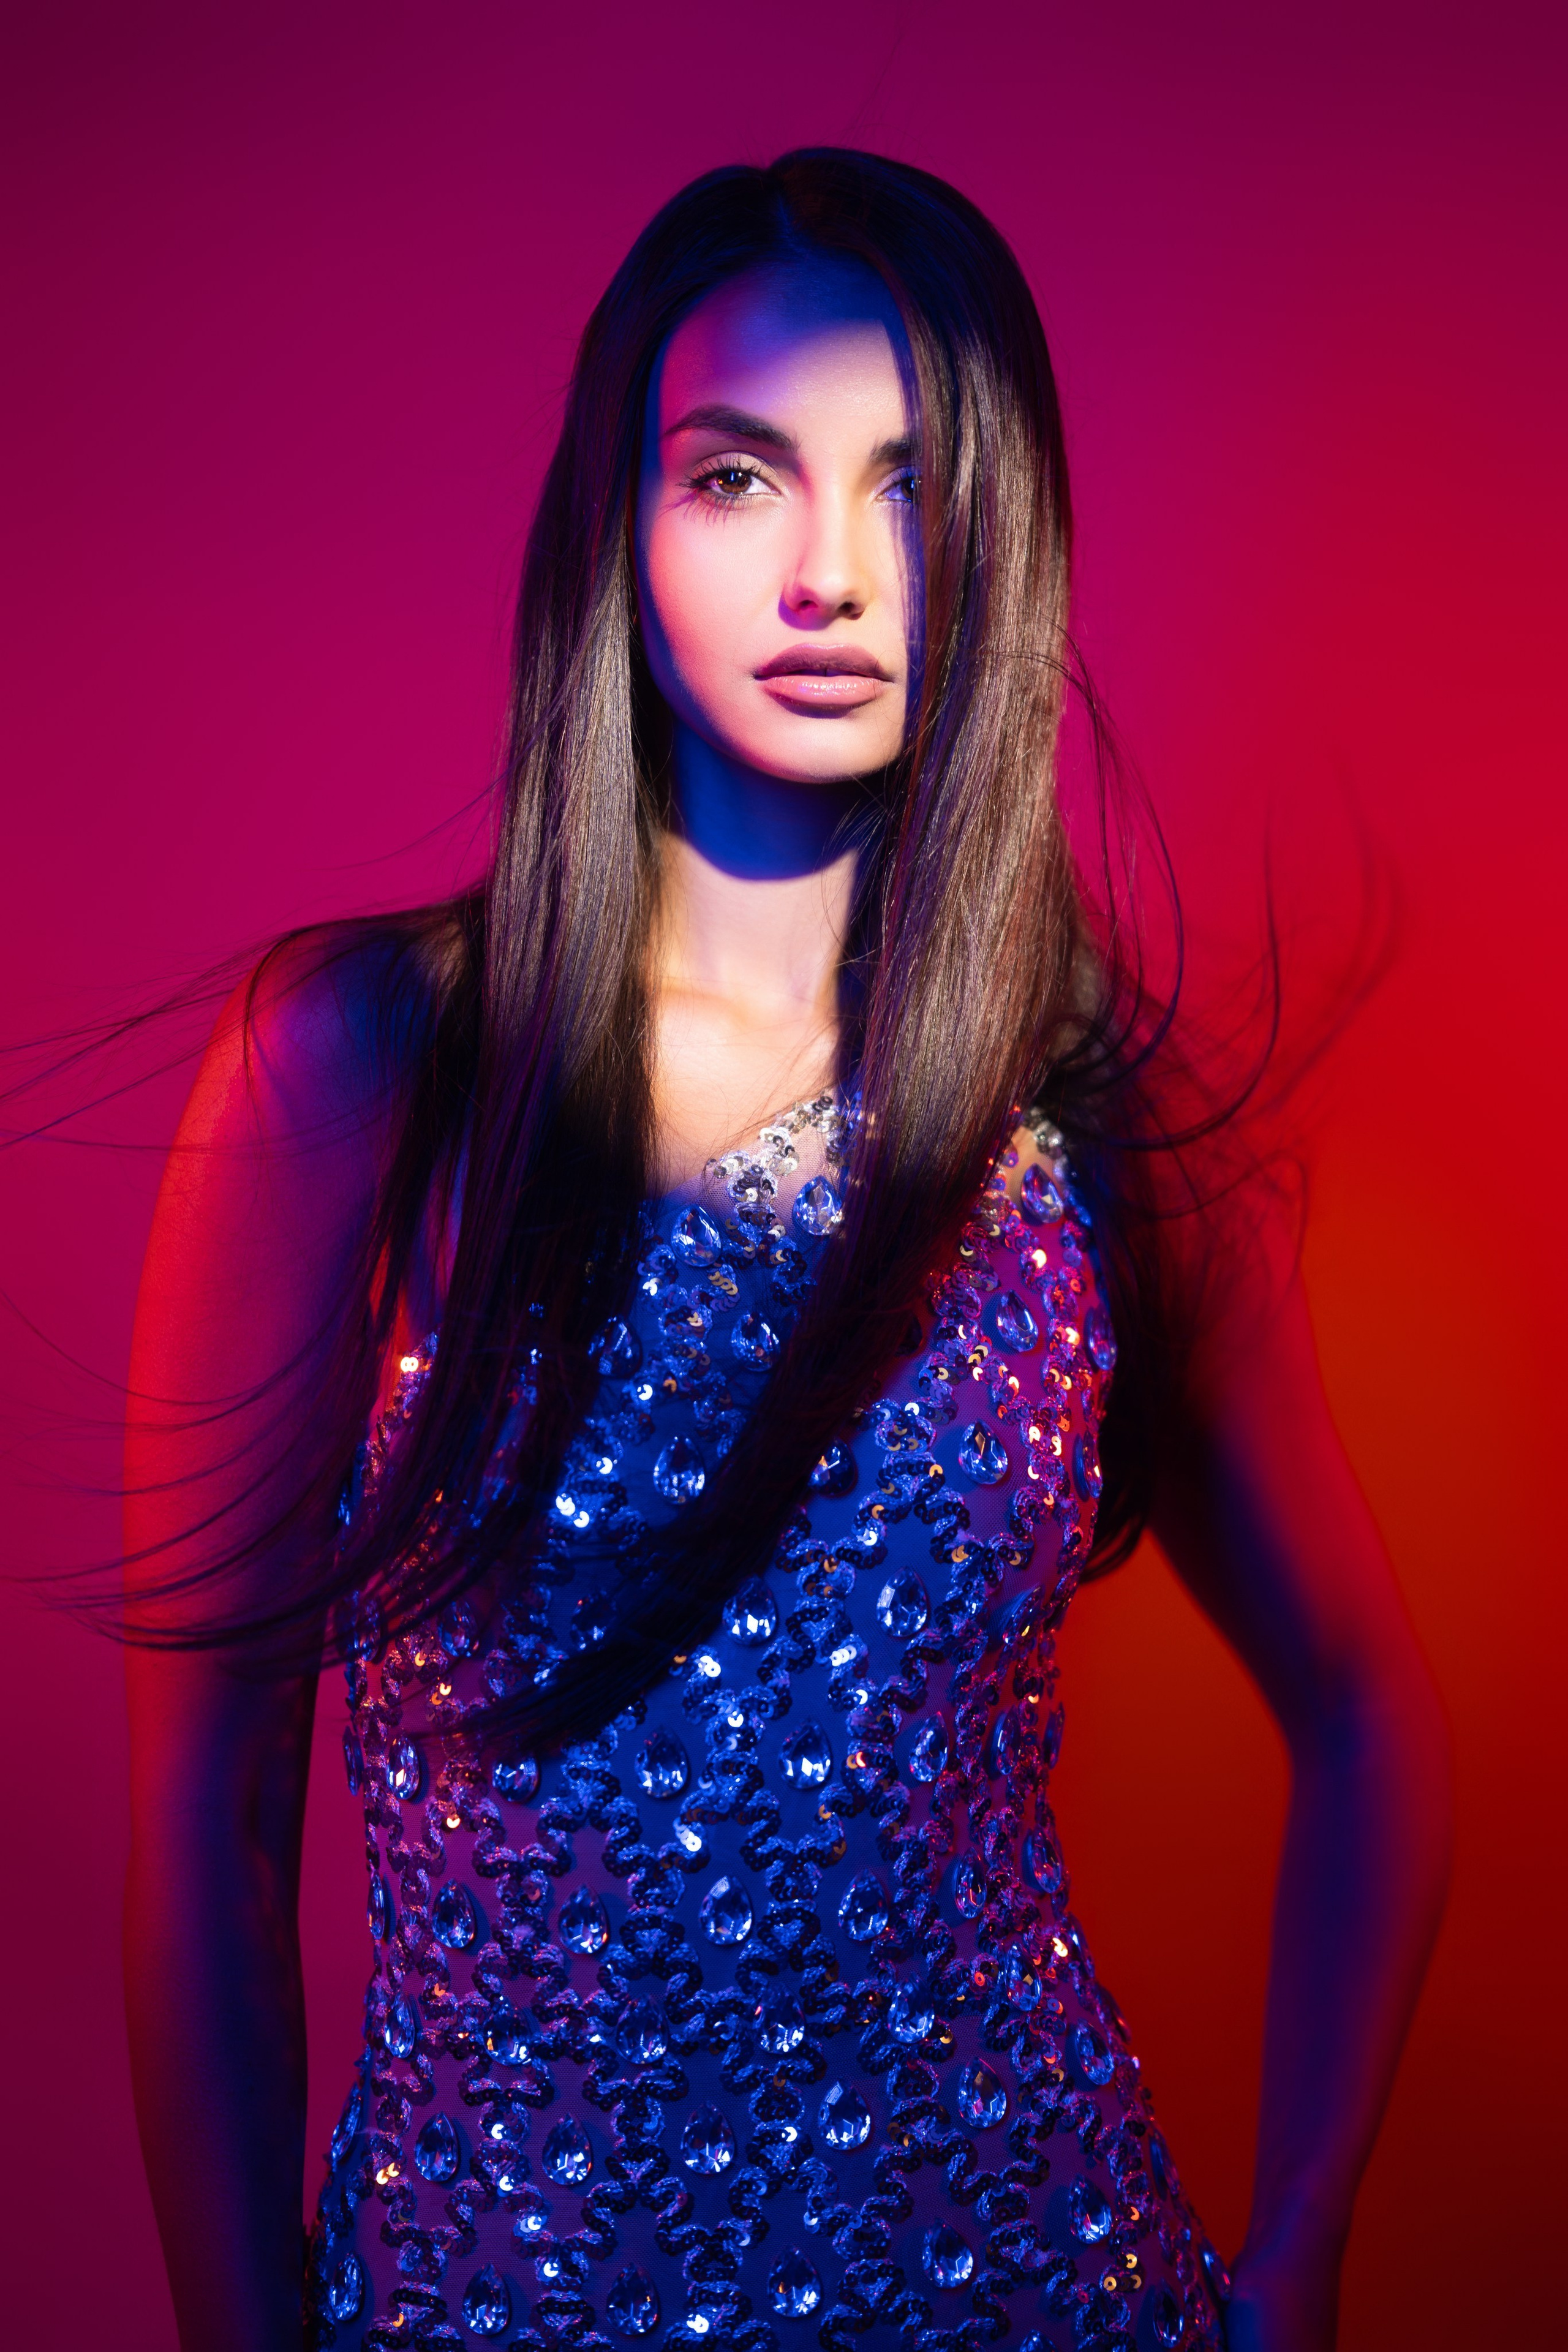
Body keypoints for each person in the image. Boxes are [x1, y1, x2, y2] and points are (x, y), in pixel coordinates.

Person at [120, 152, 1451, 2352]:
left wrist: (1297, 2252)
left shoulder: (1093, 1105)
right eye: (740, 476)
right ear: (618, 536)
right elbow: (208, 1817)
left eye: (913, 488)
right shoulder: (360, 1069)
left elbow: (1372, 1709)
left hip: (1045, 2291)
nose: (832, 571)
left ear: (1005, 543)